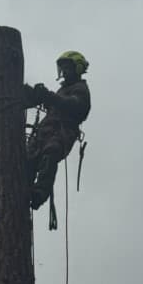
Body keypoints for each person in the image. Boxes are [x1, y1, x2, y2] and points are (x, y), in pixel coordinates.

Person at [23, 51, 90, 210]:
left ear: (77, 69)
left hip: (62, 132)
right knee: (28, 157)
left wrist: (50, 97)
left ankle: (39, 193)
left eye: (68, 67)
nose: (64, 71)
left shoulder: (80, 89)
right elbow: (52, 100)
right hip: (45, 131)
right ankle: (22, 187)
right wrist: (33, 94)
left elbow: (73, 105)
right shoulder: (63, 90)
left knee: (50, 154)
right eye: (63, 68)